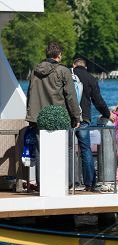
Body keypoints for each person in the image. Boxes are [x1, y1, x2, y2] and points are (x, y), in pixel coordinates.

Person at [26, 42, 81, 186]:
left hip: (39, 117)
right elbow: (70, 96)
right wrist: (76, 116)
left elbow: (30, 93)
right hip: (60, 116)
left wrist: (30, 115)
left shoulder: (35, 71)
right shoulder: (64, 71)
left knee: (40, 151)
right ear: (59, 55)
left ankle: (41, 183)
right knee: (66, 149)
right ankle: (67, 182)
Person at [72, 58, 116, 191]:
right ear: (85, 67)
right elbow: (98, 101)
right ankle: (89, 183)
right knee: (85, 149)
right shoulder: (91, 78)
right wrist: (108, 114)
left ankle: (68, 181)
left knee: (67, 149)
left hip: (68, 117)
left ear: (73, 65)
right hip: (83, 118)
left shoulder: (67, 74)